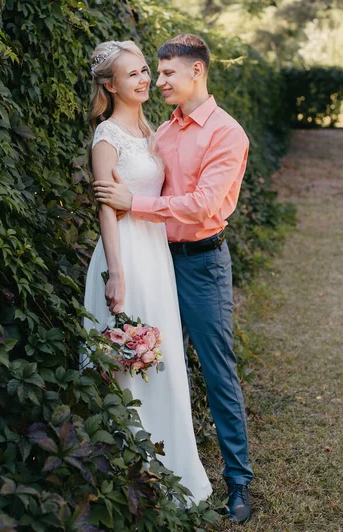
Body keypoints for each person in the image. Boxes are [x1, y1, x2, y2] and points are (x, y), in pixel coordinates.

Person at [94, 34, 253, 524]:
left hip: (201, 263)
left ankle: (238, 482)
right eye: (150, 72)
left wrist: (134, 205)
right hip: (155, 260)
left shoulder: (228, 134)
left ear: (196, 72)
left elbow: (204, 205)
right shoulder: (158, 132)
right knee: (150, 365)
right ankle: (145, 473)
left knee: (215, 366)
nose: (156, 81)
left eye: (165, 73)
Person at [81, 39, 212, 505]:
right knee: (129, 361)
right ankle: (131, 477)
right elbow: (106, 212)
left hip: (156, 255)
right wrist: (116, 274)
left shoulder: (151, 131)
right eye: (133, 74)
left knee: (164, 358)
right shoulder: (106, 138)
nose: (144, 80)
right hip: (127, 257)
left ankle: (175, 470)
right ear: (111, 85)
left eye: (144, 71)